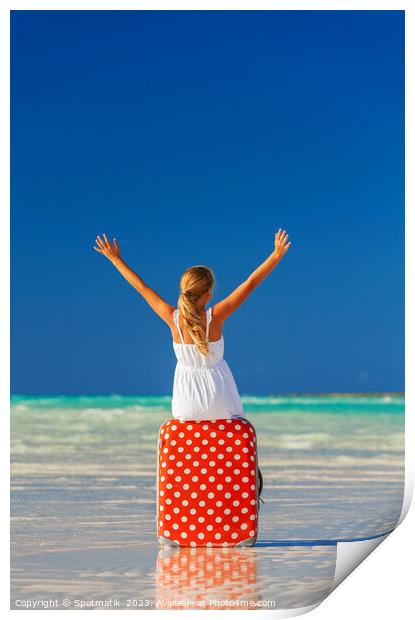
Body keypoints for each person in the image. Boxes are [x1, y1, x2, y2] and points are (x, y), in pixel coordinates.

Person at [93, 229, 292, 422]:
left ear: (184, 290)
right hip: (221, 402)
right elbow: (250, 283)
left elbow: (142, 288)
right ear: (209, 293)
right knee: (235, 418)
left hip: (186, 406)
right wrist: (276, 255)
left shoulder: (173, 318)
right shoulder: (216, 316)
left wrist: (115, 259)